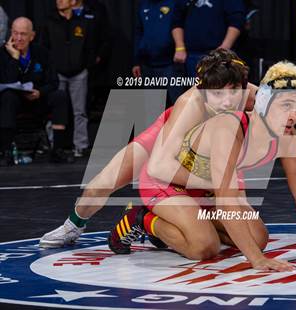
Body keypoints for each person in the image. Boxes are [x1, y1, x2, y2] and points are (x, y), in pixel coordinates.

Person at [106, 60, 296, 271]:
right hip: (168, 182)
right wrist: (256, 260)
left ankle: (183, 225)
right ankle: (142, 218)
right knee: (204, 247)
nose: (293, 116)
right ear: (264, 104)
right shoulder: (229, 127)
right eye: (285, 106)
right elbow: (226, 199)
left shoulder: (288, 137)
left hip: (207, 187)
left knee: (256, 237)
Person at [39, 48, 255, 247]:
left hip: (197, 148)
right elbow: (161, 165)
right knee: (103, 184)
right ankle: (73, 225)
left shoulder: (246, 91)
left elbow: (281, 106)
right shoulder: (191, 103)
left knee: (235, 232)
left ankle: (174, 229)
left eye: (234, 90)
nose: (228, 99)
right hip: (165, 138)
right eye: (218, 91)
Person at [0, 17, 73, 166]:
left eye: (23, 34)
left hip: (37, 99)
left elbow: (53, 82)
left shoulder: (42, 53)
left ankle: (58, 150)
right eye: (15, 33)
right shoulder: (2, 54)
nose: (19, 38)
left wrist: (40, 92)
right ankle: (6, 151)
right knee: (8, 97)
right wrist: (14, 58)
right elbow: (7, 81)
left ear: (32, 36)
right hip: (14, 102)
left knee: (59, 96)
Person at [42, 0, 96, 157]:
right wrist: (51, 70)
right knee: (55, 109)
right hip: (57, 74)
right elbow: (44, 48)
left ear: (73, 2)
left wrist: (85, 65)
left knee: (80, 112)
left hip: (79, 73)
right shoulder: (49, 21)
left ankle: (80, 145)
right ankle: (54, 144)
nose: (59, 1)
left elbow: (89, 47)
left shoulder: (82, 21)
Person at [172, 0, 245, 77]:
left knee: (218, 87)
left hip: (218, 55)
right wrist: (179, 48)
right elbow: (176, 22)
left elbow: (237, 21)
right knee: (193, 87)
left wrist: (224, 48)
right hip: (190, 55)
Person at [132, 0, 183, 106]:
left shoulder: (174, 3)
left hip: (171, 64)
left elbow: (180, 28)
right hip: (148, 65)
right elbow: (138, 33)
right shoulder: (143, 5)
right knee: (152, 108)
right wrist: (136, 61)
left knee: (178, 105)